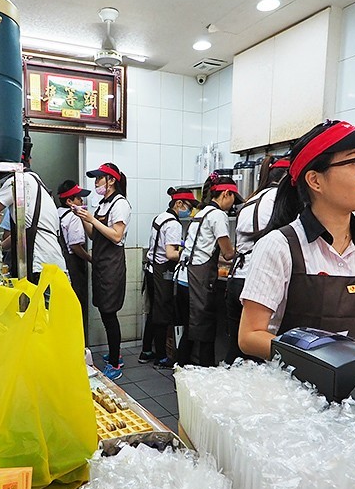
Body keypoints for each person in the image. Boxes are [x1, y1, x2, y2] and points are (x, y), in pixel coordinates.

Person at [238, 119, 355, 361]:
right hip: (294, 391)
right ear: (315, 180)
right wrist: (324, 361)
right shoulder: (280, 246)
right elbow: (250, 336)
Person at [224, 155, 290, 364]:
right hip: (258, 283)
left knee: (236, 348)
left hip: (235, 280)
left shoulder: (251, 199)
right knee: (257, 356)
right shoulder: (280, 200)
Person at [176, 174, 240, 367]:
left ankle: (181, 369)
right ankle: (205, 375)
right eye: (233, 198)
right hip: (198, 280)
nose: (232, 204)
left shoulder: (200, 213)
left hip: (183, 277)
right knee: (205, 331)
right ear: (227, 194)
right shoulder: (218, 215)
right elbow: (228, 253)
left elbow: (204, 248)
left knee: (188, 329)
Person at [75, 163, 131, 380]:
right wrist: (84, 218)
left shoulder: (120, 204)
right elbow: (94, 236)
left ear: (111, 180)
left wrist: (92, 220)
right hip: (101, 265)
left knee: (110, 313)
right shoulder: (103, 205)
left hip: (112, 267)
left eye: (99, 178)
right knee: (105, 312)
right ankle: (115, 352)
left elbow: (116, 236)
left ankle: (116, 363)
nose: (96, 182)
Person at [141, 188, 199, 368]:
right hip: (162, 272)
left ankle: (146, 351)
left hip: (151, 270)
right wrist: (189, 254)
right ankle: (161, 357)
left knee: (153, 311)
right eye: (189, 206)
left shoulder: (160, 217)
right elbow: (170, 254)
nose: (190, 211)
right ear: (179, 204)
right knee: (162, 313)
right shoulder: (173, 224)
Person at [0, 167, 67, 283]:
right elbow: (23, 233)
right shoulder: (40, 187)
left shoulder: (19, 181)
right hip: (56, 266)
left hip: (40, 266)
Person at [57, 180, 93, 333]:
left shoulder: (57, 213)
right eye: (79, 198)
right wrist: (90, 258)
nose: (82, 201)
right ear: (69, 201)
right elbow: (75, 246)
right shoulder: (73, 217)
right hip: (74, 268)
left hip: (60, 267)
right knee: (78, 306)